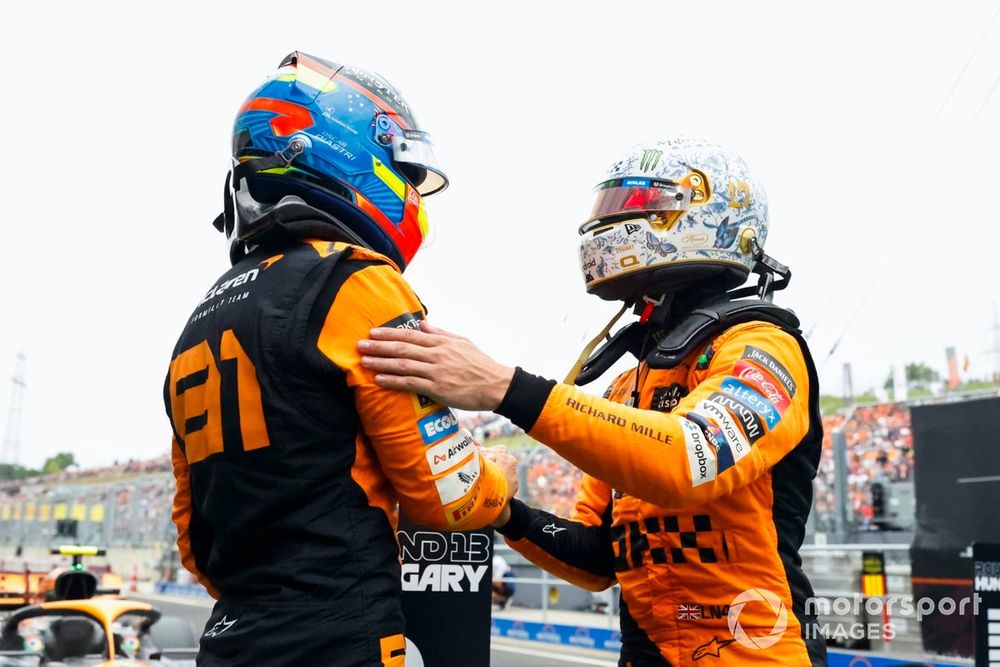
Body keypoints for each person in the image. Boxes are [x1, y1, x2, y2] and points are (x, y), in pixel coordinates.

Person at [359, 139, 827, 665]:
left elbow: (686, 459)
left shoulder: (766, 347)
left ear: (705, 213)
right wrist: (500, 508)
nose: (609, 224)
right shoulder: (628, 385)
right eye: (607, 209)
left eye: (632, 207)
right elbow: (600, 559)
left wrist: (503, 388)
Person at [163, 52, 518, 666]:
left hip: (232, 641)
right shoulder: (356, 282)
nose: (408, 189)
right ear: (344, 150)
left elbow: (193, 538)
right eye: (401, 170)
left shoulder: (200, 317)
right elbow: (446, 496)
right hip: (339, 633)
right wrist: (499, 478)